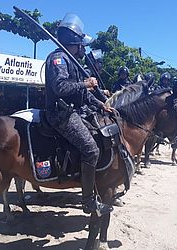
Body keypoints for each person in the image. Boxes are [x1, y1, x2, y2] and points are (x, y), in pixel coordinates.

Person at [45, 13, 114, 216]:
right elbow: (60, 87)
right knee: (91, 150)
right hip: (61, 114)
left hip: (77, 111)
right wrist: (86, 83)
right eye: (81, 45)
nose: (84, 49)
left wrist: (102, 105)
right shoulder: (58, 59)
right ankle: (88, 201)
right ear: (73, 43)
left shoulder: (73, 61)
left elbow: (84, 95)